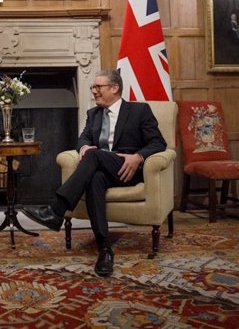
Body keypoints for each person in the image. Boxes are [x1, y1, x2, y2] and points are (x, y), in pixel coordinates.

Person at [22, 69, 166, 277]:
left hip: (127, 170)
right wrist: (82, 148)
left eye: (98, 87)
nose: (94, 91)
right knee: (94, 178)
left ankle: (57, 210)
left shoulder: (139, 111)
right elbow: (83, 139)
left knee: (94, 155)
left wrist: (138, 157)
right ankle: (104, 249)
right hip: (101, 169)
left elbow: (158, 143)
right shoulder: (94, 114)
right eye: (93, 87)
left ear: (114, 88)